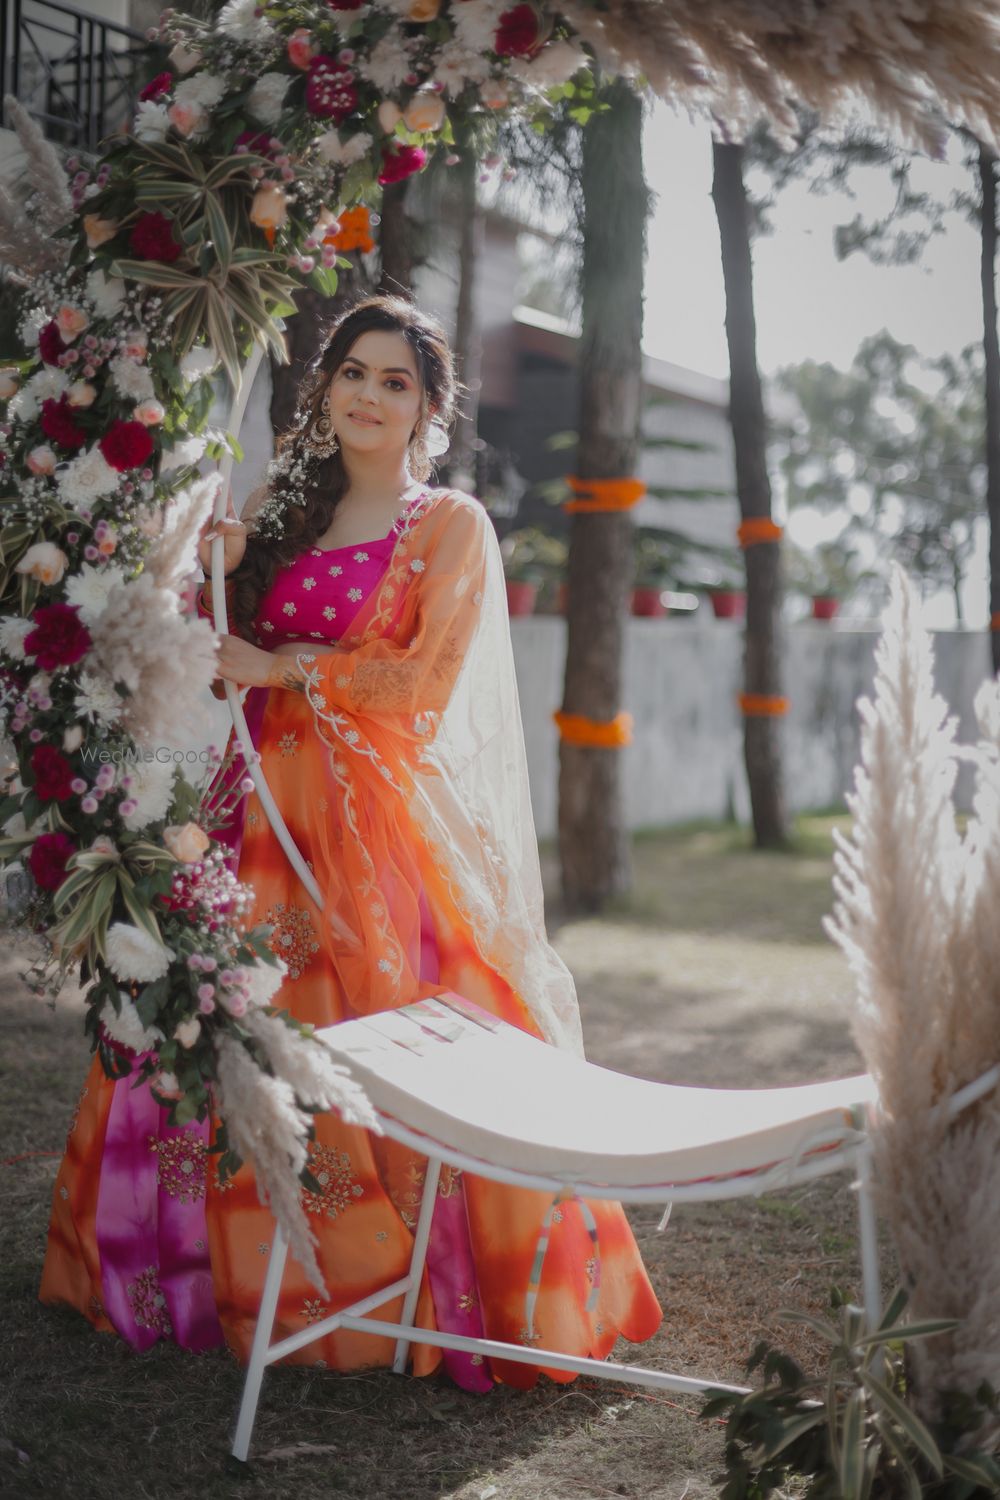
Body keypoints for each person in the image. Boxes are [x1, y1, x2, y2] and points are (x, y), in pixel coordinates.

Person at [41, 295, 662, 1389]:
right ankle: (191, 1273)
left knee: (405, 1026)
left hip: (366, 824)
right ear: (321, 387)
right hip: (249, 813)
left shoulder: (446, 525)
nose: (369, 396)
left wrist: (280, 667)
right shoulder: (277, 513)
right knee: (212, 1011)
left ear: (427, 408)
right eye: (353, 374)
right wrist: (216, 574)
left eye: (396, 382)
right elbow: (212, 648)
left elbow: (417, 688)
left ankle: (408, 1288)